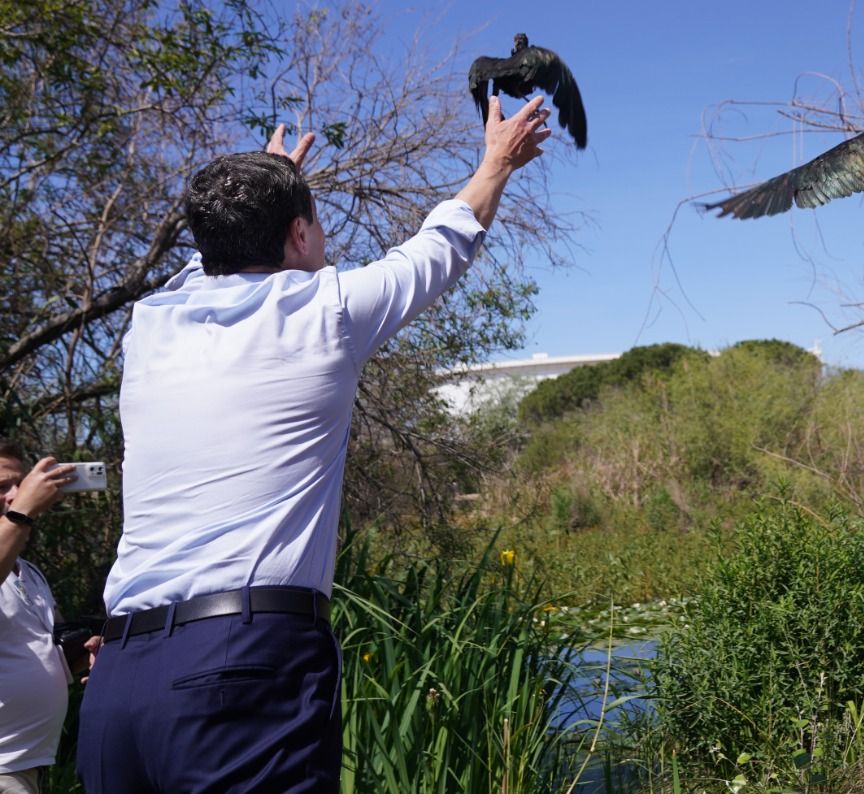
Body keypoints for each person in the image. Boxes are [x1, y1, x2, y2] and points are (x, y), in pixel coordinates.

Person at [76, 95, 553, 793]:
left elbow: (214, 257)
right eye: (314, 227)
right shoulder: (324, 311)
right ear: (299, 234)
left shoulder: (151, 326)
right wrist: (496, 162)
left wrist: (260, 181)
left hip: (118, 681)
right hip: (241, 667)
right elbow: (443, 243)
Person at [0, 447, 88, 794]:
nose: (15, 495)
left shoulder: (29, 572)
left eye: (20, 484)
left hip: (26, 765)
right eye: (2, 486)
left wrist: (76, 658)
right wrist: (22, 513)